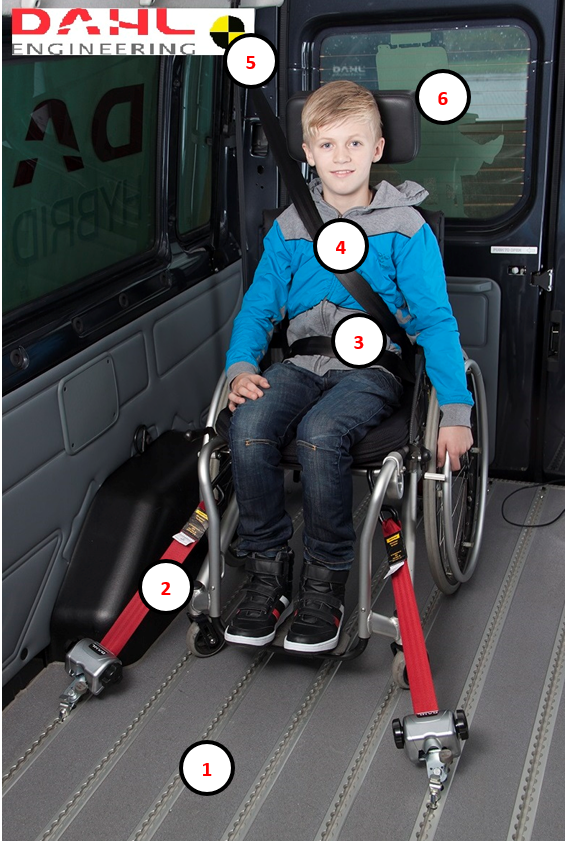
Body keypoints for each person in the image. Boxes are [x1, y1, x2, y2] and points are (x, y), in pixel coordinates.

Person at [223, 80, 473, 653]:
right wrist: (241, 367)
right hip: (303, 361)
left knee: (320, 434)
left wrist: (456, 411)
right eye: (328, 145)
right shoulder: (290, 227)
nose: (342, 158)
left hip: (371, 369)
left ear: (378, 149)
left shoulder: (405, 227)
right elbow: (259, 309)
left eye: (355, 145)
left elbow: (435, 323)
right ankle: (267, 571)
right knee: (249, 425)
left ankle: (325, 579)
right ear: (307, 153)